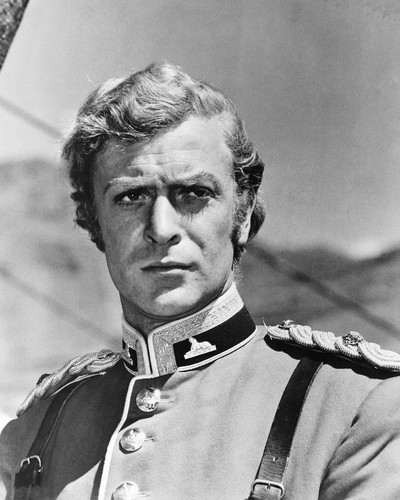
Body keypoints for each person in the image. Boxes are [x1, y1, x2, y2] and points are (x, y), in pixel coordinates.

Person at [1, 62, 400, 500]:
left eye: (193, 194)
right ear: (94, 222)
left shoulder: (355, 407)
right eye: (131, 196)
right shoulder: (36, 427)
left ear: (242, 216)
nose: (161, 228)